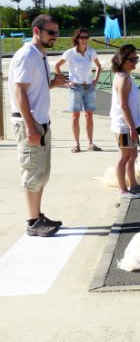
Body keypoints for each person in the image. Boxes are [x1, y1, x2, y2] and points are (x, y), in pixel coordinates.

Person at [7, 14, 67, 237]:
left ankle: (38, 215)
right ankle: (33, 221)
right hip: (29, 123)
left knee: (42, 173)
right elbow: (19, 90)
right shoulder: (27, 55)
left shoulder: (40, 55)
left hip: (39, 121)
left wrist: (52, 84)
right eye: (51, 32)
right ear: (37, 31)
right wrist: (30, 126)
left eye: (56, 33)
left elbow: (32, 90)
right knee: (32, 172)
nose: (55, 37)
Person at [54, 27, 102, 153]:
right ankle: (77, 144)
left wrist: (95, 80)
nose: (85, 40)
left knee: (89, 115)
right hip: (76, 88)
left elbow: (98, 65)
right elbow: (57, 66)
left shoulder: (91, 51)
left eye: (86, 37)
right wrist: (65, 82)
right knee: (75, 116)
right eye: (82, 37)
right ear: (77, 39)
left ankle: (91, 143)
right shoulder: (70, 53)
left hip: (89, 87)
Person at [109, 44, 140, 199]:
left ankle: (133, 184)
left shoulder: (125, 77)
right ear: (122, 60)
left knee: (132, 156)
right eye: (131, 59)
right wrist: (132, 127)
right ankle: (123, 189)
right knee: (124, 157)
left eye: (136, 58)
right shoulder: (123, 79)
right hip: (124, 126)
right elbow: (123, 105)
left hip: (129, 125)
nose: (135, 62)